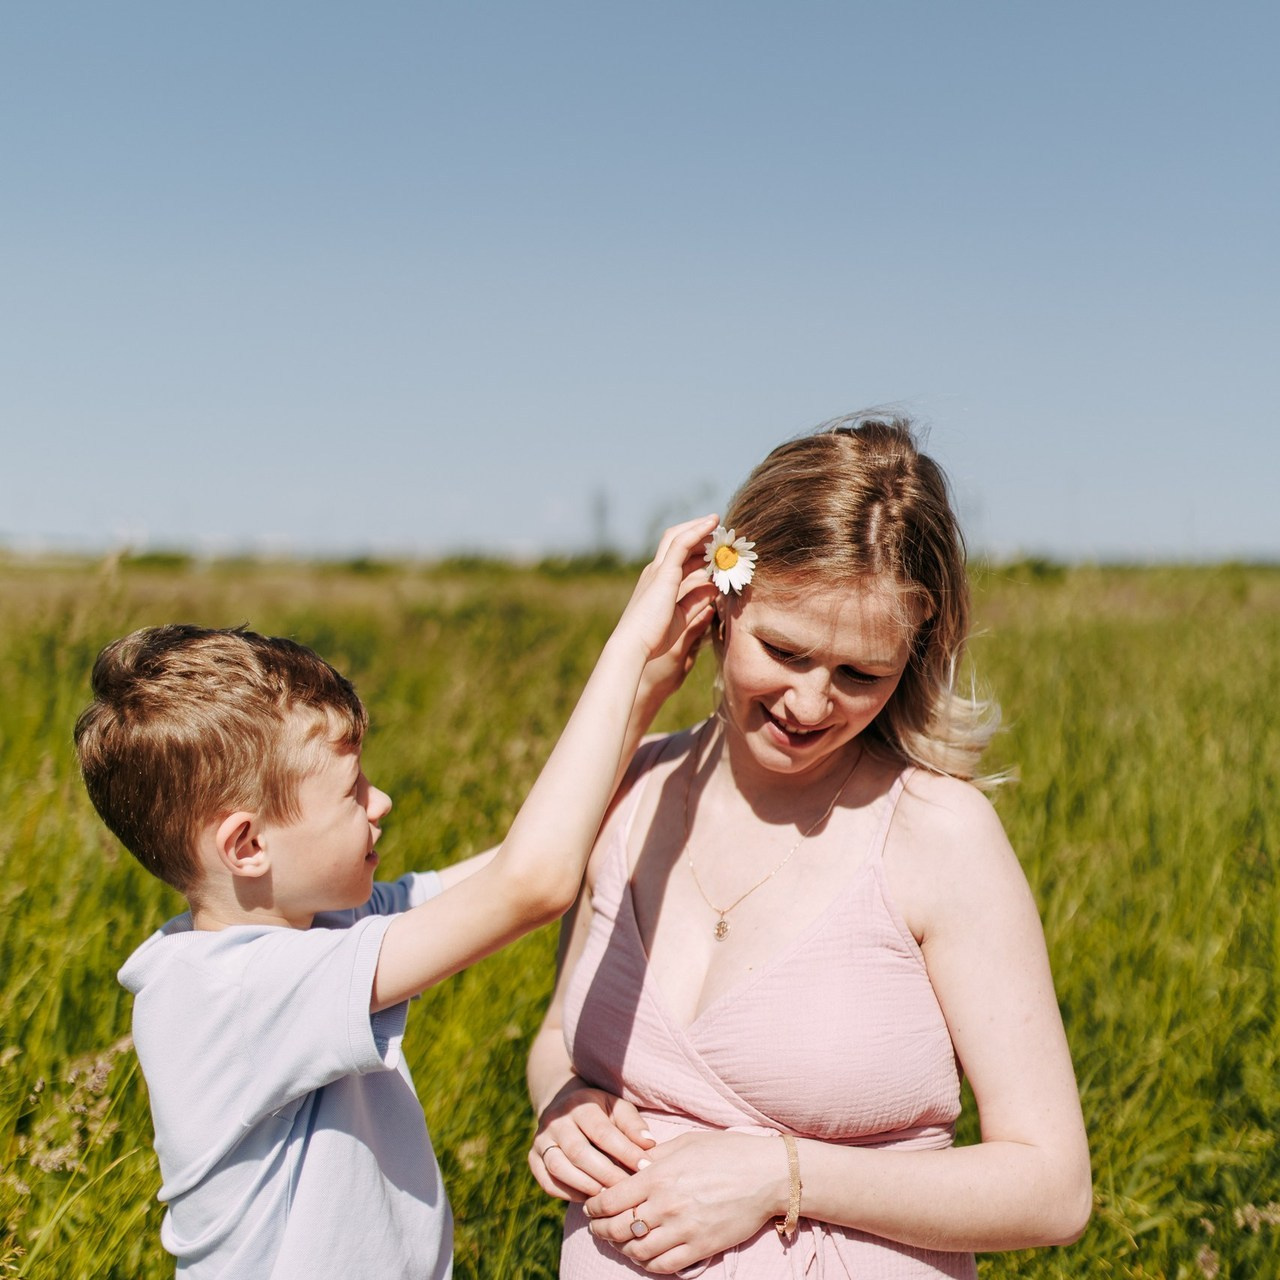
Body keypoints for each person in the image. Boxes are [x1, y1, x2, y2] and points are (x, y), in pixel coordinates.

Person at [73, 515, 720, 1280]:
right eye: (351, 793)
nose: (379, 803)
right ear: (246, 846)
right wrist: (625, 653)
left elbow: (514, 865)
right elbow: (532, 884)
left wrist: (644, 698)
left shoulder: (317, 927)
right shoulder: (231, 990)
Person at [527, 415, 1092, 1278]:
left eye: (861, 674)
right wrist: (562, 1106)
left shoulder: (939, 836)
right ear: (720, 604)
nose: (810, 704)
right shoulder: (628, 791)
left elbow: (1053, 1188)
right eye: (783, 651)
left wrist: (781, 1176)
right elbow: (562, 1034)